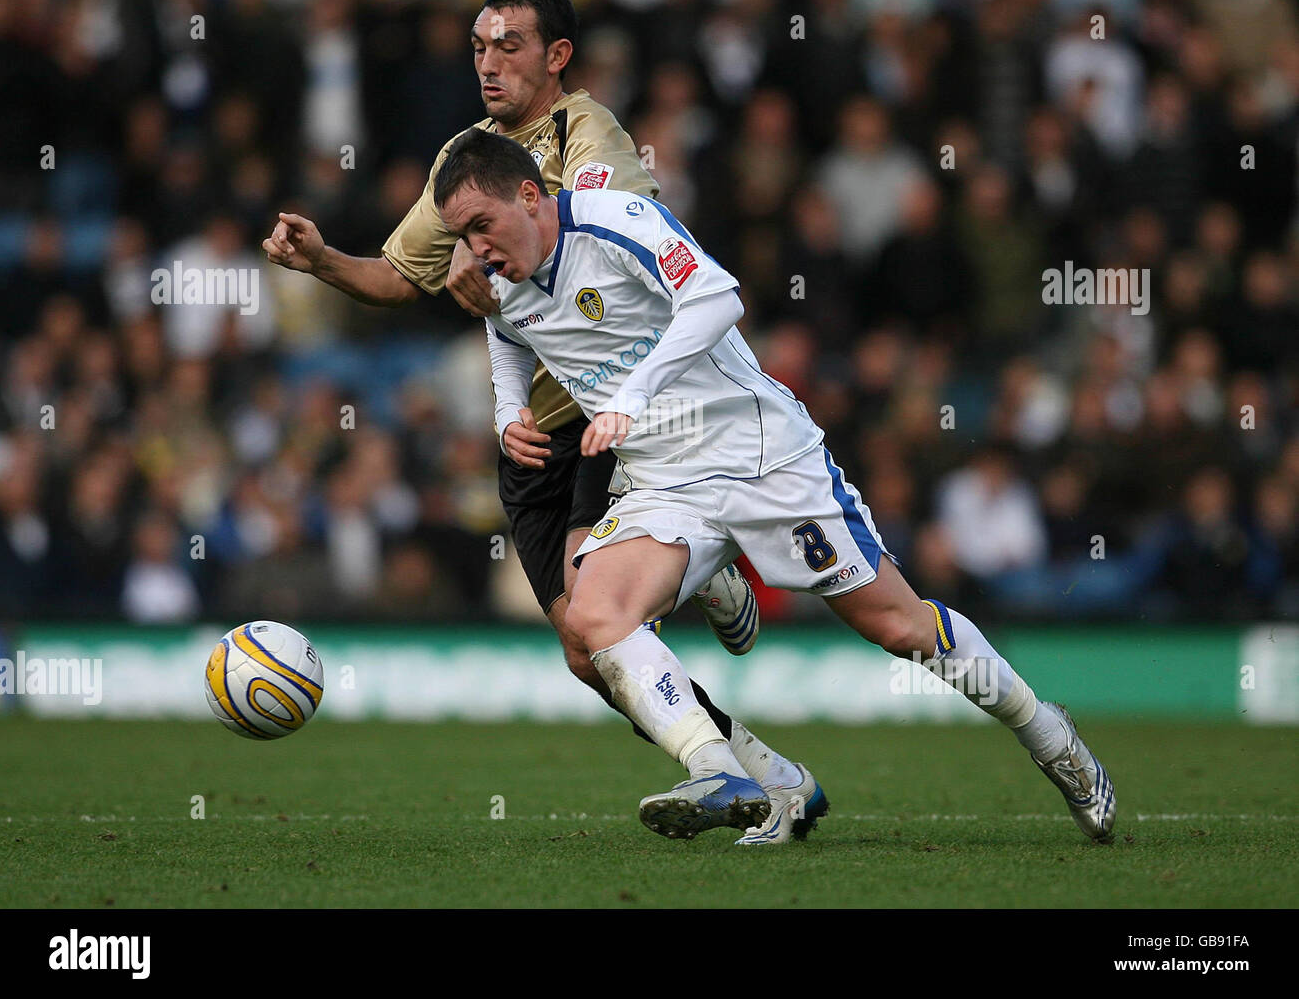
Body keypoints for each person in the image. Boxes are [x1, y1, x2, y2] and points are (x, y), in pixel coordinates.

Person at [434, 127, 1117, 845]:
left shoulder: (612, 220)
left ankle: (1049, 734)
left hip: (761, 457)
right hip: (664, 479)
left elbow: (717, 297)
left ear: (531, 194)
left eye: (481, 225)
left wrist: (631, 395)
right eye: (460, 234)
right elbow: (509, 333)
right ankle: (723, 771)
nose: (473, 249)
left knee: (900, 625)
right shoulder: (493, 271)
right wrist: (509, 410)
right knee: (593, 613)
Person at [263, 0, 826, 843]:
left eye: (509, 46)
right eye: (480, 47)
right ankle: (771, 774)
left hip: (613, 414)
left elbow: (605, 238)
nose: (488, 63)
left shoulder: (590, 137)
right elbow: (393, 276)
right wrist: (320, 260)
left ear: (557, 56)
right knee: (582, 648)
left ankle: (709, 638)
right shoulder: (465, 160)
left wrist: (489, 271)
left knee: (602, 614)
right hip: (534, 424)